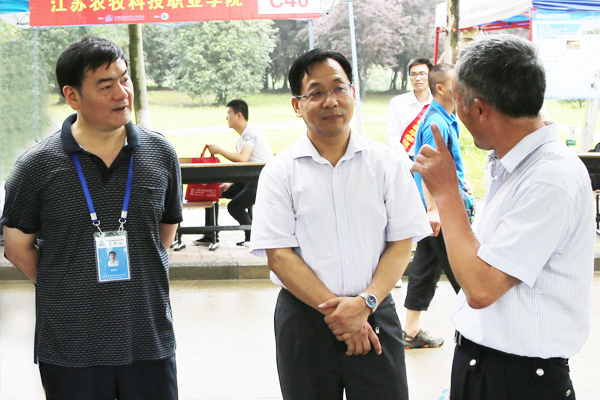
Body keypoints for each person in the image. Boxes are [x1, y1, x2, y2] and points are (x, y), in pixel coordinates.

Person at [412, 34, 595, 399]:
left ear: (479, 110)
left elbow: (481, 288)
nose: (456, 112)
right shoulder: (510, 162)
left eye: (457, 101)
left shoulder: (549, 178)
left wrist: (446, 194)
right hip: (487, 365)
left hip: (520, 378)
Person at [1, 36, 182, 400]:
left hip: (148, 337)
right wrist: (64, 285)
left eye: (125, 79)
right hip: (71, 346)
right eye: (105, 85)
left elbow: (164, 234)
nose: (122, 93)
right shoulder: (37, 166)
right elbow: (16, 247)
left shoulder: (160, 153)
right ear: (72, 96)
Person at [250, 49, 431, 400]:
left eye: (339, 88)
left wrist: (365, 304)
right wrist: (344, 317)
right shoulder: (279, 172)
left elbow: (400, 244)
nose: (330, 101)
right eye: (316, 92)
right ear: (297, 105)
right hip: (305, 321)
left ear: (353, 93)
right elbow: (279, 256)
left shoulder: (386, 163)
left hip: (375, 311)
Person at [403, 63, 465, 349]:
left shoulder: (447, 117)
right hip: (441, 209)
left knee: (426, 266)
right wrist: (433, 210)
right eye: (457, 82)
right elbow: (425, 166)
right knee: (462, 268)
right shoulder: (435, 123)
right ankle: (481, 327)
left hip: (441, 207)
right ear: (440, 88)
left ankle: (411, 331)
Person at [194, 99, 273, 247]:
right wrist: (229, 183)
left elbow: (243, 158)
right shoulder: (242, 138)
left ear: (239, 115)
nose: (227, 117)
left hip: (261, 180)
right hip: (248, 180)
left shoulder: (250, 133)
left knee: (235, 206)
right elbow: (244, 165)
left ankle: (253, 238)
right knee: (213, 191)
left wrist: (219, 150)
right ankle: (210, 234)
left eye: (229, 113)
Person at [385, 57, 433, 161]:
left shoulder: (437, 103)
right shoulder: (397, 103)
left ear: (430, 76)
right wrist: (407, 163)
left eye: (422, 74)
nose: (418, 78)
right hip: (405, 159)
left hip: (431, 160)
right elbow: (392, 138)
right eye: (413, 74)